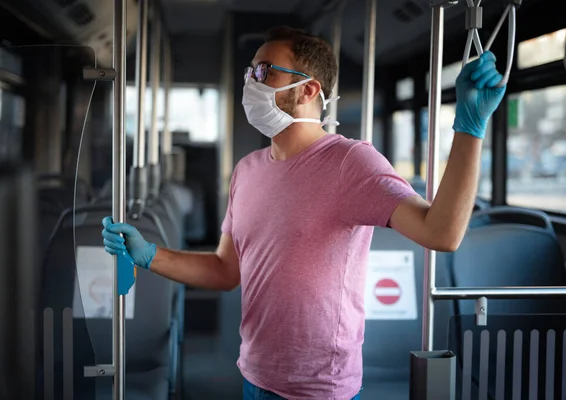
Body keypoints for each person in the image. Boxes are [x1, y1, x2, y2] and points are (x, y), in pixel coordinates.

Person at [101, 26, 506, 400]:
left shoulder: (350, 162)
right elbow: (226, 271)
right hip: (254, 375)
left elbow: (442, 233)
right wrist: (150, 255)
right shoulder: (247, 170)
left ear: (308, 89)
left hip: (319, 389)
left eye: (263, 72)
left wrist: (469, 128)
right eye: (249, 72)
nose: (249, 82)